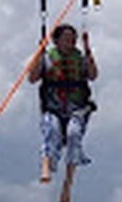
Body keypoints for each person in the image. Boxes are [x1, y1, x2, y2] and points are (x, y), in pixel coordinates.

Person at [29, 23, 98, 202]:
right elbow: (32, 78)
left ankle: (68, 185)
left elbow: (93, 75)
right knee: (51, 131)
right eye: (67, 38)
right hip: (53, 107)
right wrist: (39, 54)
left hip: (76, 108)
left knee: (74, 135)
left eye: (73, 39)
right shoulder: (47, 58)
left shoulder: (80, 58)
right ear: (57, 41)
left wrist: (89, 51)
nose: (71, 42)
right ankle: (46, 166)